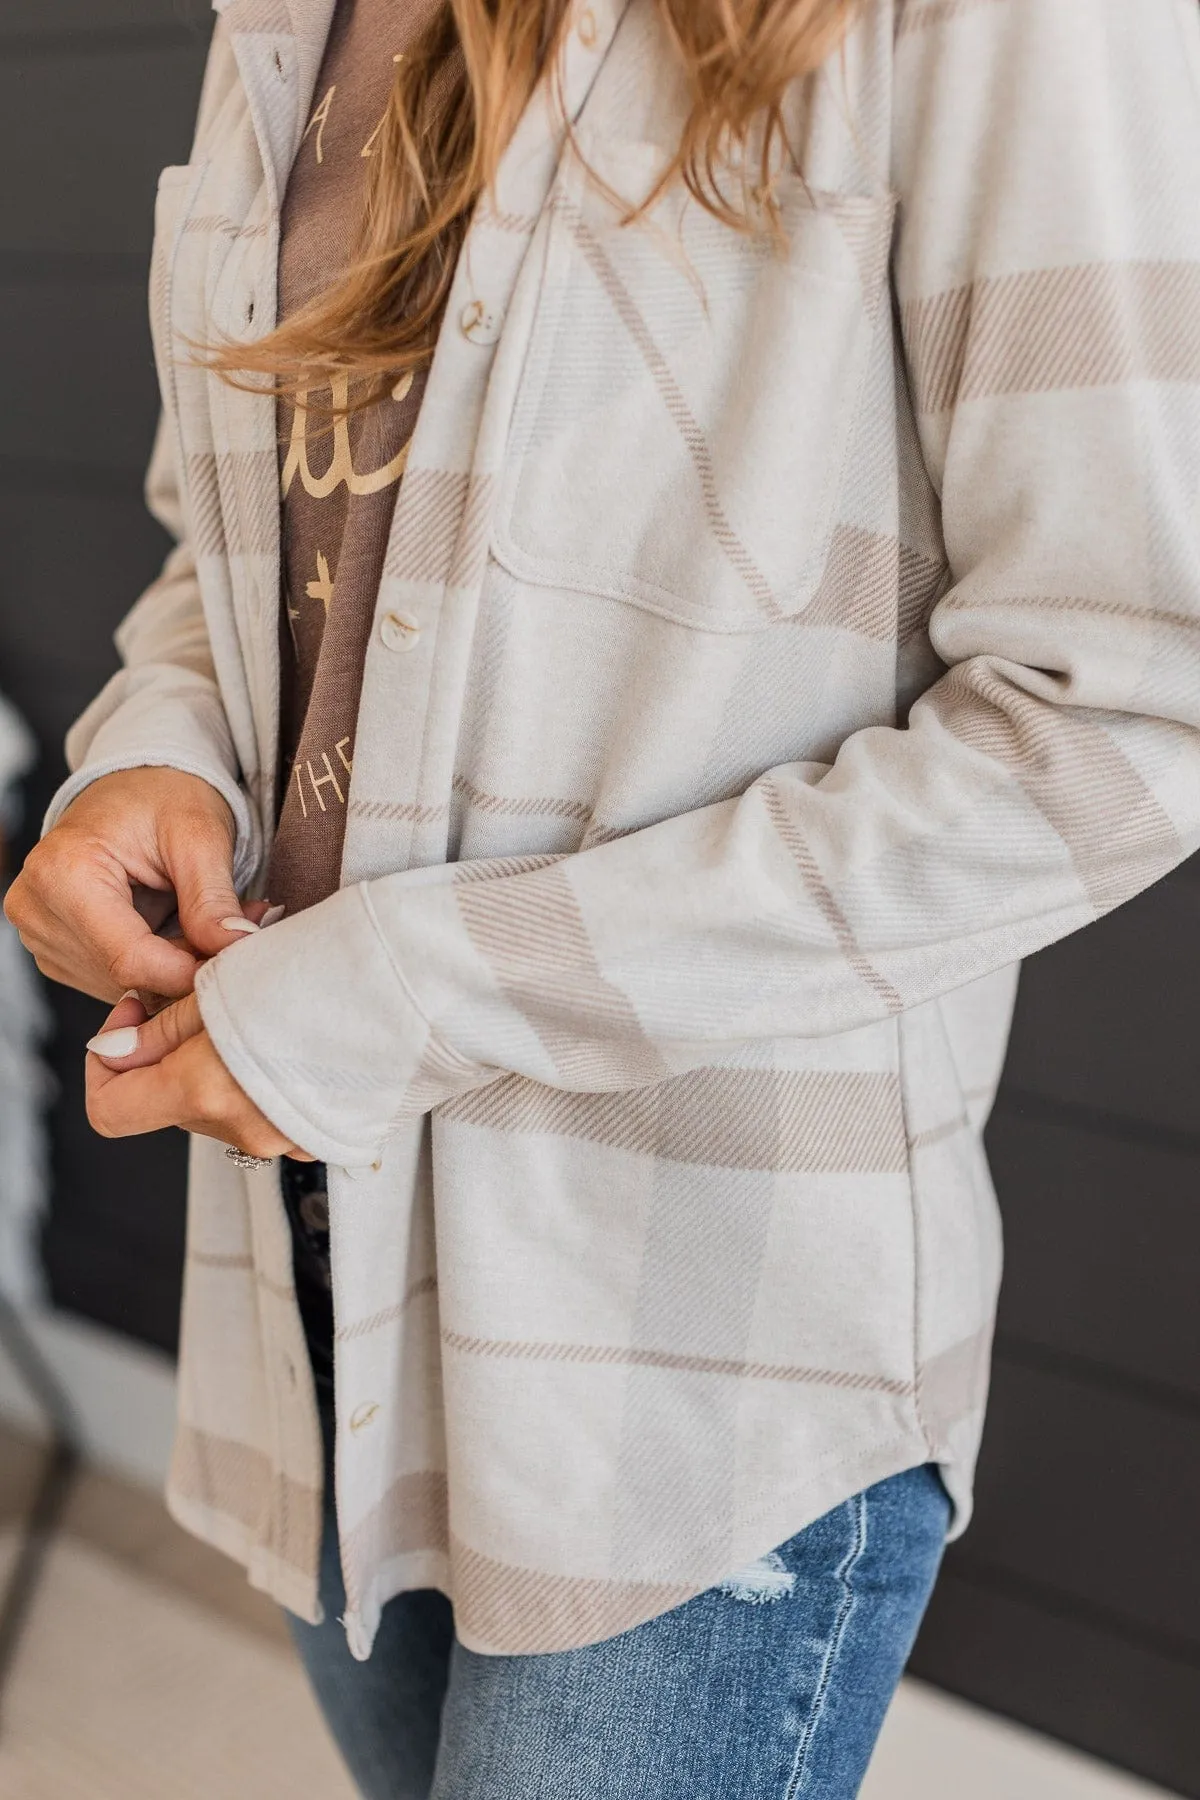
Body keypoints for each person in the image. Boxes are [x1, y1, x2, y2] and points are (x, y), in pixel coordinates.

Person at [8, 0, 1200, 1791]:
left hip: (693, 1381)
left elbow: (1124, 710)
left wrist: (405, 995)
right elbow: (244, 536)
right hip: (313, 1293)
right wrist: (150, 749)